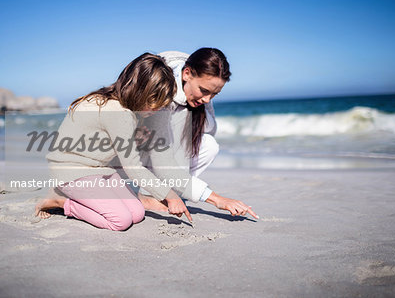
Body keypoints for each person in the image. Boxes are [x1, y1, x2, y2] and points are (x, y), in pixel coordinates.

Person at [34, 53, 191, 230]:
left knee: (137, 213)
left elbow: (99, 134)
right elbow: (133, 169)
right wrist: (170, 196)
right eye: (153, 100)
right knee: (120, 220)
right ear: (138, 91)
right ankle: (59, 200)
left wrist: (135, 136)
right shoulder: (119, 113)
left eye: (161, 103)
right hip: (72, 172)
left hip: (99, 170)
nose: (156, 108)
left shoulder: (119, 102)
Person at [137, 48, 258, 220]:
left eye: (214, 94)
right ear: (186, 74)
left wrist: (200, 106)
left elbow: (210, 130)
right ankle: (148, 195)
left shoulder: (196, 81)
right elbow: (163, 164)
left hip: (159, 153)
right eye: (204, 90)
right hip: (130, 149)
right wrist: (217, 200)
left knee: (208, 145)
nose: (208, 99)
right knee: (178, 125)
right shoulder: (162, 87)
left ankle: (176, 190)